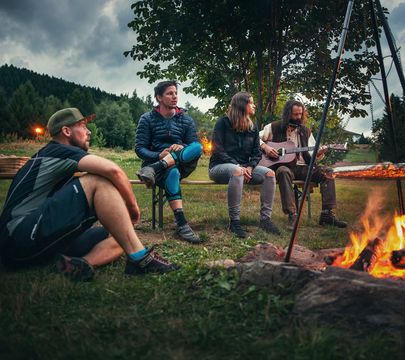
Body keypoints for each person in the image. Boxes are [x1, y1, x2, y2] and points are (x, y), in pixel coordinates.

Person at [0, 108, 180, 281]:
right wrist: (132, 207)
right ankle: (142, 259)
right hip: (17, 237)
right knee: (97, 180)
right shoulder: (55, 150)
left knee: (121, 236)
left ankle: (80, 265)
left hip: (35, 241)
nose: (89, 132)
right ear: (66, 131)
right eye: (83, 126)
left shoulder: (57, 156)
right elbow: (113, 170)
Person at [259, 100, 347, 230]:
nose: (298, 117)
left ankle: (327, 215)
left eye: (300, 114)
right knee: (283, 171)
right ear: (288, 113)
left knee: (328, 171)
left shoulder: (305, 131)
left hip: (303, 167)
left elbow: (312, 155)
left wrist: (319, 153)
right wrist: (265, 147)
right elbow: (255, 138)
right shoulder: (274, 127)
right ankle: (293, 215)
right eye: (295, 114)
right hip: (285, 168)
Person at [135, 80, 203, 244]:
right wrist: (159, 155)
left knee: (198, 147)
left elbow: (192, 145)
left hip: (179, 163)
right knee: (172, 172)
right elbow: (140, 148)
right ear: (159, 97)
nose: (174, 97)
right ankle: (181, 224)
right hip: (160, 166)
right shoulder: (147, 119)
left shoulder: (186, 120)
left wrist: (182, 146)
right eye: (169, 93)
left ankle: (155, 167)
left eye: (175, 93)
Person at [209, 92, 280, 238]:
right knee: (237, 171)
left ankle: (265, 220)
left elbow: (257, 152)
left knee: (269, 174)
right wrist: (239, 166)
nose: (254, 105)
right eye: (251, 103)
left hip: (244, 168)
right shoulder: (222, 123)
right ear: (242, 105)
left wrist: (250, 166)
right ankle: (234, 222)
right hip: (219, 167)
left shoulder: (253, 127)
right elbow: (218, 150)